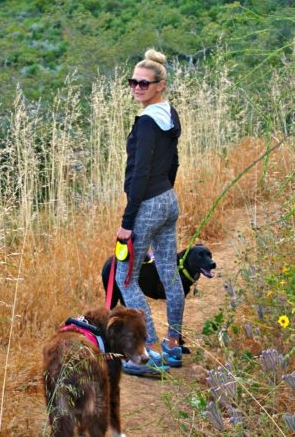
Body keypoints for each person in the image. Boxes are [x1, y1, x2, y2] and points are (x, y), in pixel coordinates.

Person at [115, 49, 184, 377]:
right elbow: (173, 162)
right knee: (169, 273)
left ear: (160, 85)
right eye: (133, 82)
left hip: (148, 205)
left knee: (124, 276)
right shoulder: (170, 114)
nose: (137, 87)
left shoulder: (145, 123)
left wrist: (128, 223)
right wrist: (166, 192)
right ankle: (173, 345)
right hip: (169, 200)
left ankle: (148, 352)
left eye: (144, 83)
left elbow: (140, 173)